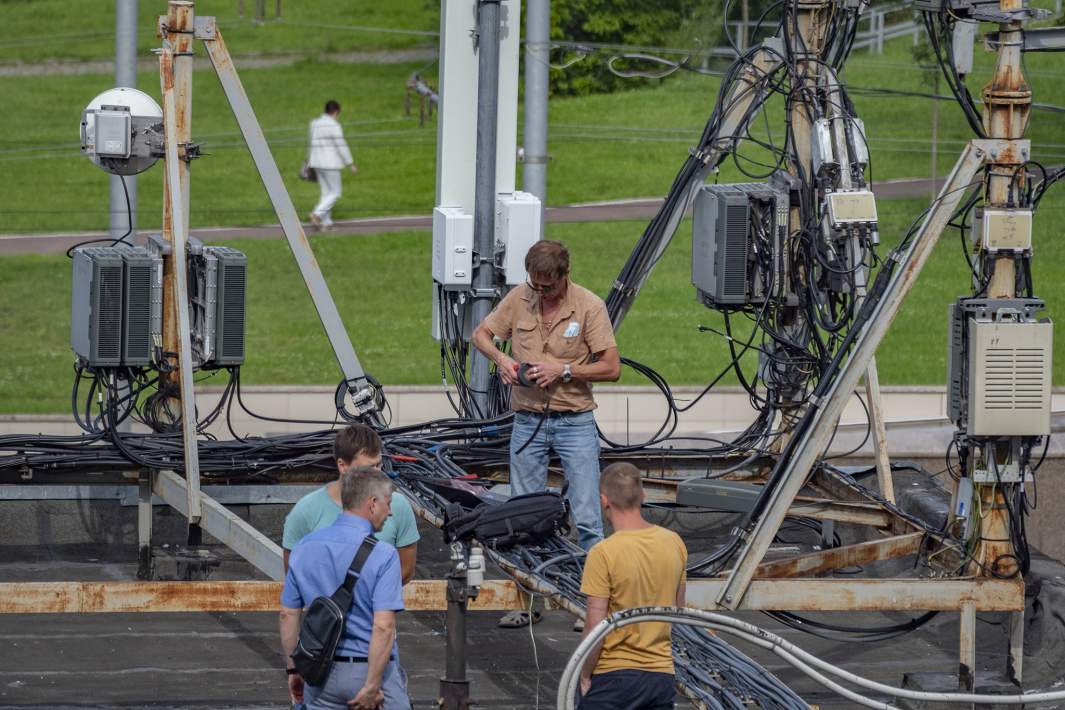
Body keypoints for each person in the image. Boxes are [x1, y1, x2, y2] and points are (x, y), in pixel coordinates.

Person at [472, 239, 620, 555]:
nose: (540, 292)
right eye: (534, 285)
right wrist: (504, 361)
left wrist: (563, 370)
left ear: (564, 275)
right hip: (527, 419)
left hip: (575, 421)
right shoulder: (518, 298)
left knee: (587, 517)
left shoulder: (589, 306)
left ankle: (592, 589)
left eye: (548, 287)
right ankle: (534, 587)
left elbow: (611, 367)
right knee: (523, 515)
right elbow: (480, 335)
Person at [280, 467, 410, 710]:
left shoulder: (303, 548)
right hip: (370, 675)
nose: (390, 512)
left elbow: (288, 615)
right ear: (372, 504)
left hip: (319, 677)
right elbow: (383, 626)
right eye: (388, 503)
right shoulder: (384, 555)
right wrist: (371, 687)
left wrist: (294, 669)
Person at [577, 462, 688, 710]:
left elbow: (596, 626)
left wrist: (584, 674)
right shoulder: (674, 543)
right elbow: (679, 609)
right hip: (661, 677)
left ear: (604, 500)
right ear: (643, 495)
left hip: (613, 676)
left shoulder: (603, 553)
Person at [283, 424, 419, 584]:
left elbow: (406, 569)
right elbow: (293, 573)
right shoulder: (306, 511)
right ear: (343, 466)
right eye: (369, 467)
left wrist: (370, 598)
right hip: (329, 608)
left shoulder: (397, 505)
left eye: (379, 465)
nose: (377, 473)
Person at [307, 99, 357, 232]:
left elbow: (311, 143)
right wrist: (350, 163)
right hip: (330, 163)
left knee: (325, 193)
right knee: (335, 192)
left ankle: (326, 224)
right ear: (335, 112)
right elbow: (341, 145)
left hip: (316, 162)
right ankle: (317, 214)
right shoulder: (334, 125)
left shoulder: (314, 123)